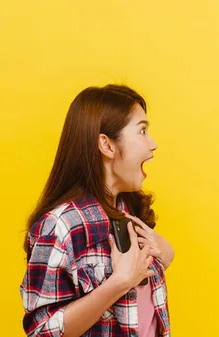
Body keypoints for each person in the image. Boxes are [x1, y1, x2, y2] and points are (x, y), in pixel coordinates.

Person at [19, 84, 175, 337]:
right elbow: (41, 331)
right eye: (142, 131)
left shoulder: (128, 213)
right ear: (107, 145)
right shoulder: (60, 226)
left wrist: (164, 257)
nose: (153, 144)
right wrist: (117, 284)